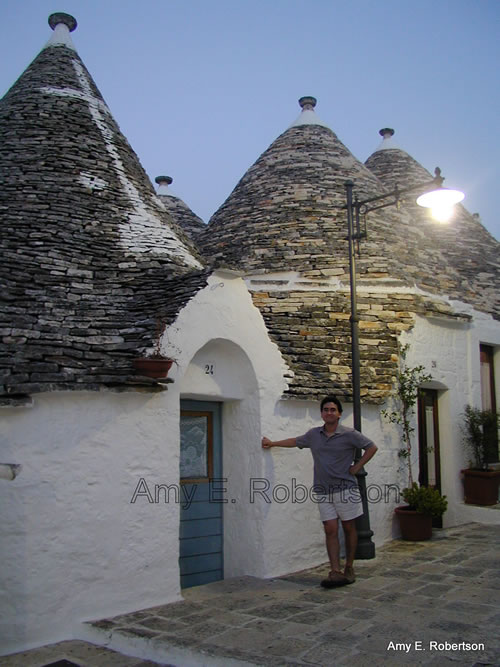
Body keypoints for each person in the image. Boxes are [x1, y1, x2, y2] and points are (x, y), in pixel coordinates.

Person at [262, 395, 377, 587]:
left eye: (333, 409)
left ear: (339, 414)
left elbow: (371, 447)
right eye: (326, 409)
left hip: (345, 489)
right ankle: (335, 571)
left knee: (349, 528)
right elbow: (295, 441)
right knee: (330, 529)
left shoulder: (349, 434)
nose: (329, 412)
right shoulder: (314, 435)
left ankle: (349, 566)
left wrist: (357, 467)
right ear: (322, 413)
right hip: (323, 490)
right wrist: (273, 443)